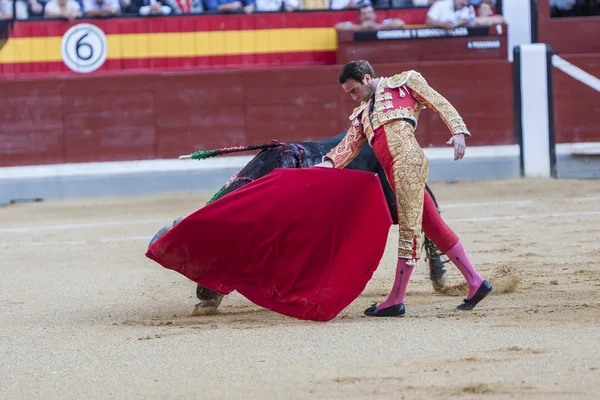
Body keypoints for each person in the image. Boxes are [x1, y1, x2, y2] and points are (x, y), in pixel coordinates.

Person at [315, 60, 492, 317]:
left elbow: (437, 101)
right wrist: (326, 166)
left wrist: (458, 131)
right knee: (432, 225)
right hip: (393, 172)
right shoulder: (363, 113)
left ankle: (395, 299)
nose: (353, 98)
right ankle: (476, 282)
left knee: (408, 231)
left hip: (408, 162)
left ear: (366, 79)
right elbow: (348, 146)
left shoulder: (404, 83)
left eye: (353, 90)